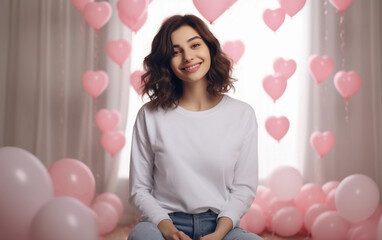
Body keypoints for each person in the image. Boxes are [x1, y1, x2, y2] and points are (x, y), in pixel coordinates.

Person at [128, 14, 262, 240]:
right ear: (165, 61)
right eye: (175, 51)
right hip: (164, 224)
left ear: (209, 48)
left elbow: (244, 189)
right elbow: (139, 190)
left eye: (195, 45)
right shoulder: (149, 115)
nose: (188, 57)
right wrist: (169, 230)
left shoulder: (242, 114)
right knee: (142, 237)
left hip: (221, 224)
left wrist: (219, 234)